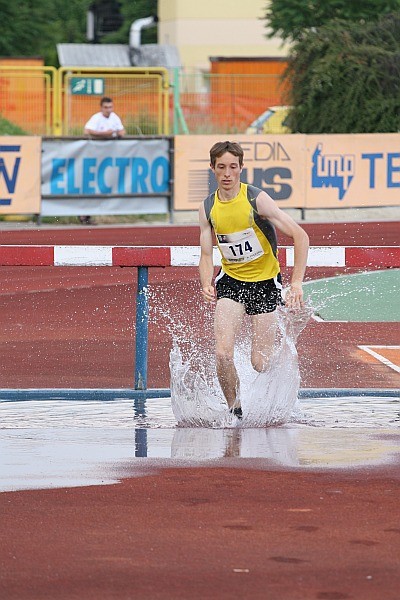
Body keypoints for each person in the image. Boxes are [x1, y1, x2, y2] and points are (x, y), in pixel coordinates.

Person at [199, 141, 309, 419]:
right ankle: (236, 411)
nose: (227, 174)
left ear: (241, 169)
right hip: (231, 282)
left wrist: (296, 283)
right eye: (221, 167)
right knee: (223, 353)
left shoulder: (255, 199)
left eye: (232, 167)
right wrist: (205, 282)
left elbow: (300, 236)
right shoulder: (208, 207)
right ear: (212, 169)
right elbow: (205, 251)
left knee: (260, 363)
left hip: (264, 283)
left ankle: (282, 362)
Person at [81, 97, 126, 224]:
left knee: (109, 184)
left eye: (110, 107)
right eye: (106, 107)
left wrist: (118, 133)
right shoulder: (96, 118)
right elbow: (86, 131)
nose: (109, 110)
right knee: (93, 184)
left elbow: (122, 131)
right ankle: (85, 213)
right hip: (96, 157)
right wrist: (105, 134)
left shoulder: (115, 117)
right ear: (101, 108)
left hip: (110, 158)